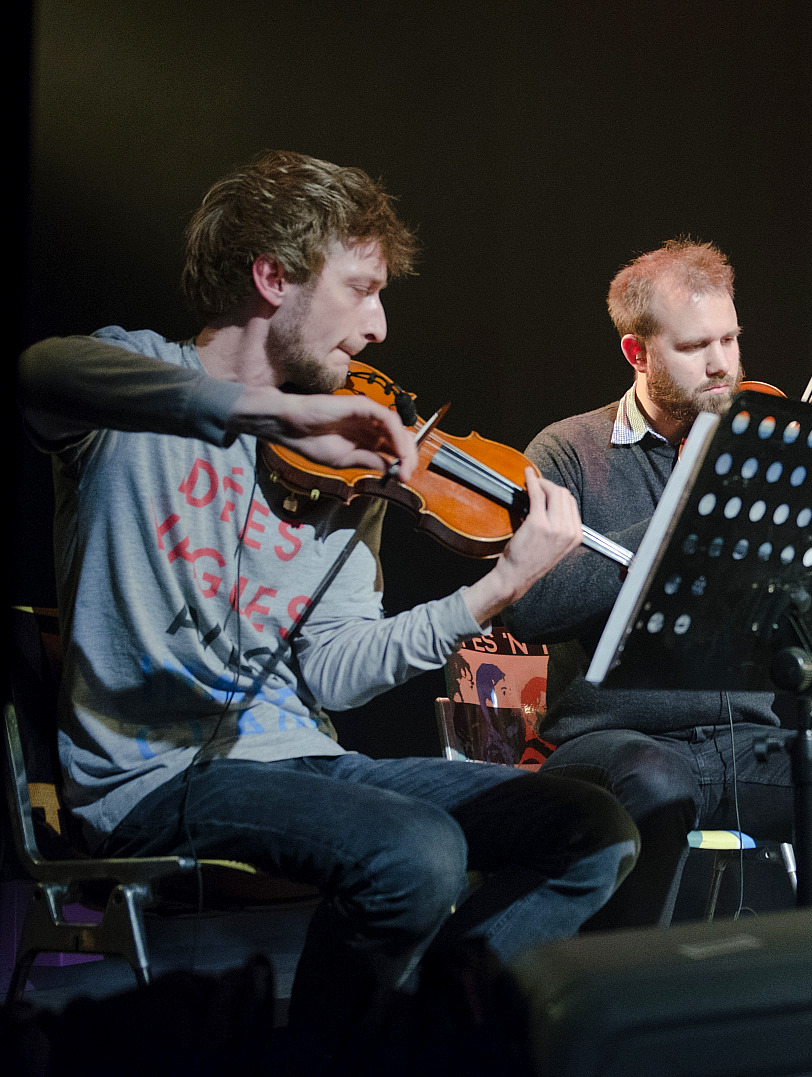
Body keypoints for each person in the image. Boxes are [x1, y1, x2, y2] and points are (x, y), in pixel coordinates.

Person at [17, 151, 638, 1049]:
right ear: (273, 277)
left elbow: (337, 672)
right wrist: (273, 413)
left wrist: (501, 585)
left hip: (303, 760)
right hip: (154, 776)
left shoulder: (343, 462)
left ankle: (408, 1043)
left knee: (592, 829)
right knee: (415, 851)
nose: (381, 326)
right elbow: (41, 370)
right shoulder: (131, 384)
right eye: (362, 288)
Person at [503, 239, 812, 928]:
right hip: (612, 737)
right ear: (637, 353)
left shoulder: (765, 451)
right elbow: (530, 605)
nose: (721, 365)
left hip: (745, 741)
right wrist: (684, 508)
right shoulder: (568, 451)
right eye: (694, 347)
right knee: (654, 783)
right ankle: (628, 993)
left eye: (730, 339)